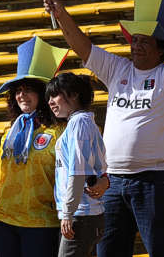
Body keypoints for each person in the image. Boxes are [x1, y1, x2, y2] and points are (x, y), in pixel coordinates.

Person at [44, 0, 164, 256]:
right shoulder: (117, 69)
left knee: (161, 250)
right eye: (135, 40)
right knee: (108, 252)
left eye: (145, 41)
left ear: (160, 49)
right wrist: (60, 14)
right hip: (112, 182)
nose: (136, 45)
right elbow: (82, 46)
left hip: (153, 179)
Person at [0, 36, 69, 257]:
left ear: (43, 93)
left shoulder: (60, 131)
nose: (22, 95)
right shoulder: (10, 133)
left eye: (29, 89)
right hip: (5, 221)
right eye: (18, 90)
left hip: (42, 222)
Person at [46, 73, 108, 257]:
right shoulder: (85, 123)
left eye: (55, 95)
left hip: (81, 214)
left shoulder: (78, 124)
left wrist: (68, 213)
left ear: (73, 94)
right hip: (86, 213)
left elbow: (77, 172)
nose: (50, 102)